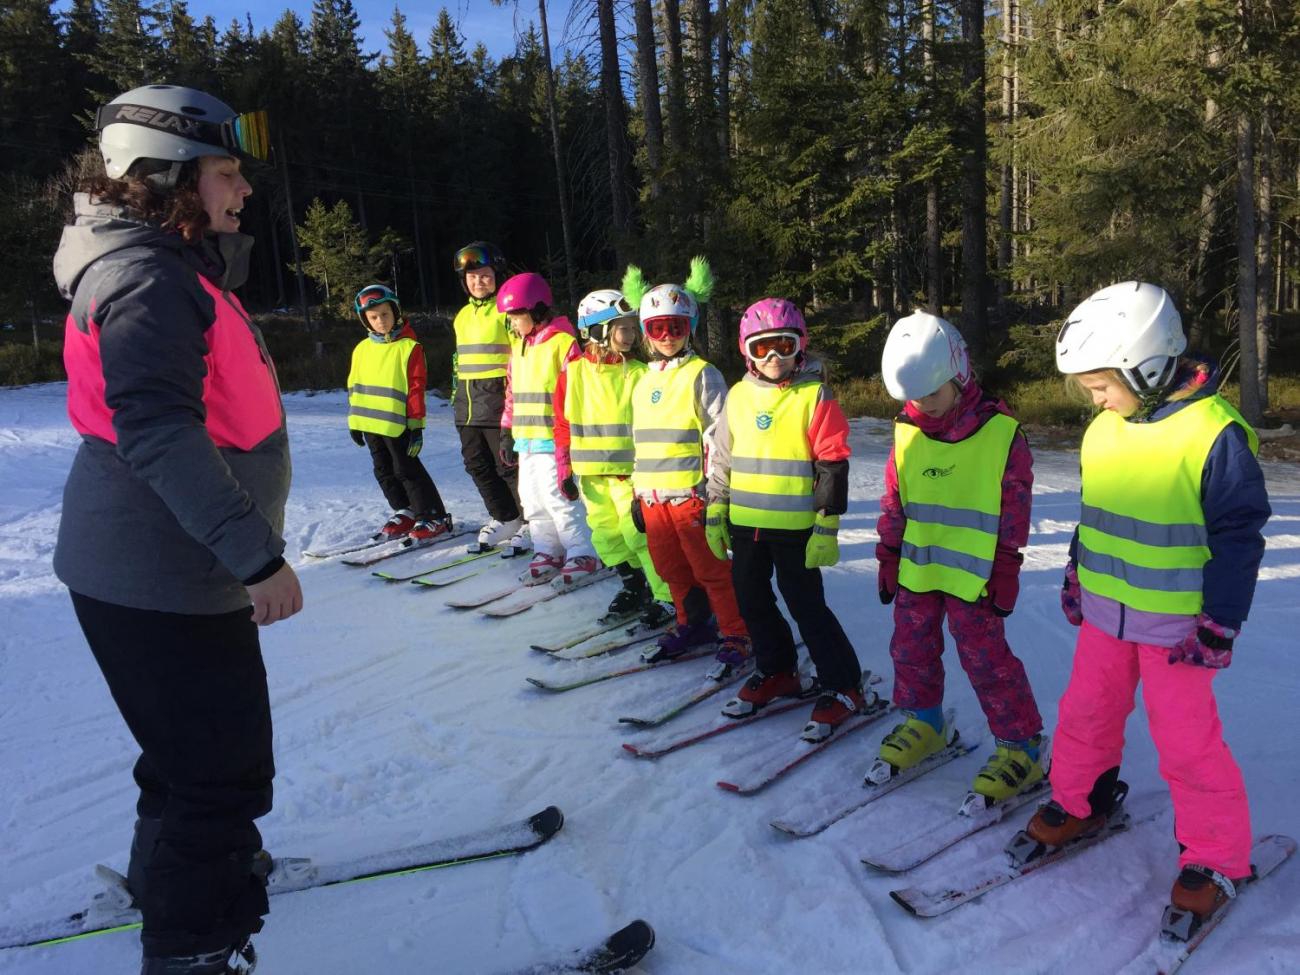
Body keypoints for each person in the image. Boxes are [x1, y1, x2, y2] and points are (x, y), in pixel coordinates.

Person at [52, 84, 301, 974]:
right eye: (225, 171)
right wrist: (256, 556)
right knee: (219, 773)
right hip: (165, 572)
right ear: (164, 178)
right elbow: (158, 429)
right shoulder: (147, 275)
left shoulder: (162, 261)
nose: (241, 191)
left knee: (186, 754)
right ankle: (196, 944)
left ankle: (176, 877)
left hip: (160, 571)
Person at [1024, 282, 1270, 921]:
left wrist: (1220, 622)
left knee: (1187, 743)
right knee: (1085, 712)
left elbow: (1238, 539)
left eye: (1102, 385)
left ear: (1150, 366)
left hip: (1178, 632)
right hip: (1106, 617)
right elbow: (1095, 512)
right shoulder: (1106, 431)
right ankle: (1082, 799)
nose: (1096, 400)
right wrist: (1078, 571)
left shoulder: (1213, 435)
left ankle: (1215, 854)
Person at [874, 311, 1045, 802]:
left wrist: (1007, 564)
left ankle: (1022, 746)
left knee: (986, 661)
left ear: (960, 375)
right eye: (913, 397)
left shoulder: (1000, 434)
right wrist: (888, 552)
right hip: (918, 569)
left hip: (975, 578)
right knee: (911, 651)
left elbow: (1015, 504)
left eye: (931, 394)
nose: (922, 406)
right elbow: (895, 499)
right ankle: (924, 722)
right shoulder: (906, 432)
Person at [708, 299, 862, 741]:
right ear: (746, 352)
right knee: (752, 601)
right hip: (747, 527)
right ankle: (778, 670)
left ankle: (843, 683)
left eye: (783, 345)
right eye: (762, 348)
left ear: (801, 347)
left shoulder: (814, 395)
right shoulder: (737, 396)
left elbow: (832, 463)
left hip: (797, 530)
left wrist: (827, 525)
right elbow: (722, 458)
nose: (774, 357)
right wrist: (716, 510)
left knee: (806, 606)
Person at [623, 258, 751, 669]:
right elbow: (639, 442)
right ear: (646, 331)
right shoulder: (644, 379)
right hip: (653, 497)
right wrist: (635, 492)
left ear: (689, 329)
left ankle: (736, 631)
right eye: (657, 328)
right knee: (670, 569)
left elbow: (720, 436)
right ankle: (691, 622)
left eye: (676, 327)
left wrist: (717, 494)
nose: (666, 337)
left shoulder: (702, 373)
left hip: (690, 497)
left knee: (711, 569)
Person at [554, 288, 674, 625]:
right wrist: (564, 466)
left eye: (632, 327)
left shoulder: (638, 374)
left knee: (638, 534)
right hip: (592, 477)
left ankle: (666, 594)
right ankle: (634, 586)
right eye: (624, 327)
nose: (632, 334)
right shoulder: (573, 373)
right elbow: (562, 422)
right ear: (599, 331)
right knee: (606, 536)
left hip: (630, 475)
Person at [497, 272, 599, 587]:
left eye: (517, 317)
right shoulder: (520, 347)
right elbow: (512, 391)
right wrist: (506, 429)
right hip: (526, 441)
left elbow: (577, 391)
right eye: (510, 319)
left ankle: (582, 552)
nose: (513, 324)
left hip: (554, 441)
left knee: (560, 499)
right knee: (532, 499)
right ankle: (547, 550)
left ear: (538, 310)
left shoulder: (562, 343)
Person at [347, 284, 452, 542]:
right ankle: (405, 509)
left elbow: (416, 389)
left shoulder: (409, 348)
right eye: (373, 317)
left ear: (395, 312)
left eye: (385, 314)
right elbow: (354, 385)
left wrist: (416, 426)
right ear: (365, 320)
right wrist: (354, 420)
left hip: (398, 424)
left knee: (406, 469)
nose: (380, 321)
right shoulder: (361, 349)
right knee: (383, 470)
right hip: (370, 424)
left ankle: (432, 514)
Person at [451, 242, 529, 556]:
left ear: (497, 276)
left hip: (498, 401)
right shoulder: (461, 316)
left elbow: (521, 357)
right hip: (467, 404)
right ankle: (505, 516)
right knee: (476, 465)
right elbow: (458, 362)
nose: (478, 282)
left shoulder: (507, 311)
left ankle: (530, 520)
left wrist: (518, 398)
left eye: (484, 276)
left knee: (509, 466)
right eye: (472, 277)